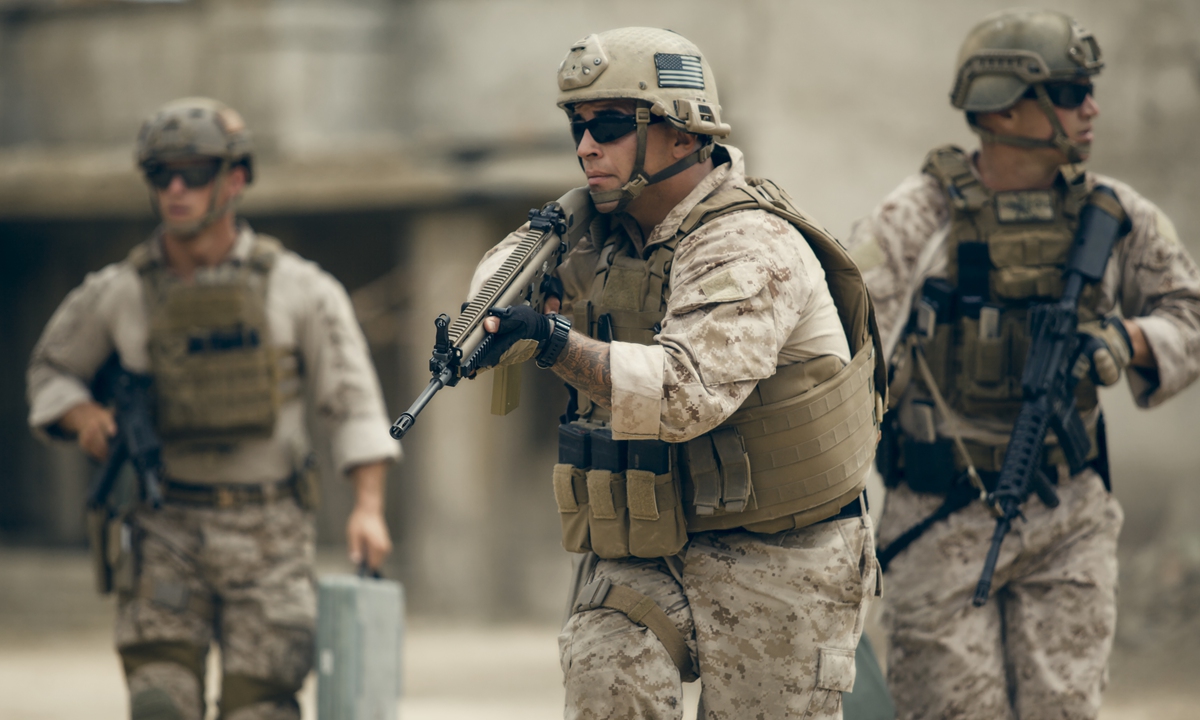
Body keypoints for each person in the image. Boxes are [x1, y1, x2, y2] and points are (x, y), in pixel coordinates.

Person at [467, 27, 886, 719]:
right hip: (646, 543)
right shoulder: (595, 232)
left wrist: (552, 341)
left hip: (780, 557)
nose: (586, 146)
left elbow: (682, 395)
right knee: (605, 682)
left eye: (608, 125)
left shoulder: (749, 241)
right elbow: (490, 299)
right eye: (577, 126)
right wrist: (507, 298)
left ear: (683, 134)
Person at [846, 9, 1200, 719]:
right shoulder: (915, 218)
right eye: (1071, 92)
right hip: (938, 518)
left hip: (1068, 519)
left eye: (1088, 90)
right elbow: (848, 359)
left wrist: (1125, 341)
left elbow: (1188, 314)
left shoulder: (1115, 214)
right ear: (1003, 106)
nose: (1092, 107)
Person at [26, 97, 400, 720]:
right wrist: (82, 415)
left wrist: (368, 507)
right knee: (158, 705)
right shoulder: (118, 292)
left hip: (270, 533)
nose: (175, 190)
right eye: (161, 174)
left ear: (235, 179)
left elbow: (353, 402)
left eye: (194, 173)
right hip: (165, 526)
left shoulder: (301, 289)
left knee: (261, 707)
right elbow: (50, 369)